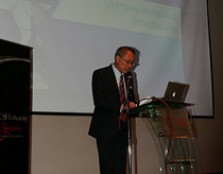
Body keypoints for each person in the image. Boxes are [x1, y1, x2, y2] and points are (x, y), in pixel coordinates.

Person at [88, 46, 138, 174]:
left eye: (132, 63)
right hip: (105, 128)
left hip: (123, 129)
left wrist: (137, 106)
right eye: (127, 62)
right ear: (117, 58)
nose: (130, 66)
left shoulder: (129, 77)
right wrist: (121, 107)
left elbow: (130, 99)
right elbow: (99, 102)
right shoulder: (100, 74)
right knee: (107, 168)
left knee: (120, 168)